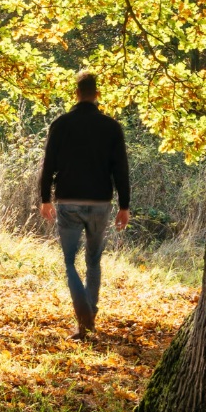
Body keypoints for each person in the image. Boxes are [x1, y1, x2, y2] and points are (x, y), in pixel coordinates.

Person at [39, 71, 130, 339]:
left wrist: (45, 198)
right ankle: (89, 314)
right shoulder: (112, 127)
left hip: (68, 201)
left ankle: (84, 318)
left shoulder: (61, 124)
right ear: (97, 95)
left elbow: (48, 165)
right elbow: (120, 170)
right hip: (101, 203)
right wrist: (124, 206)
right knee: (94, 261)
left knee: (69, 261)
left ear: (76, 93)